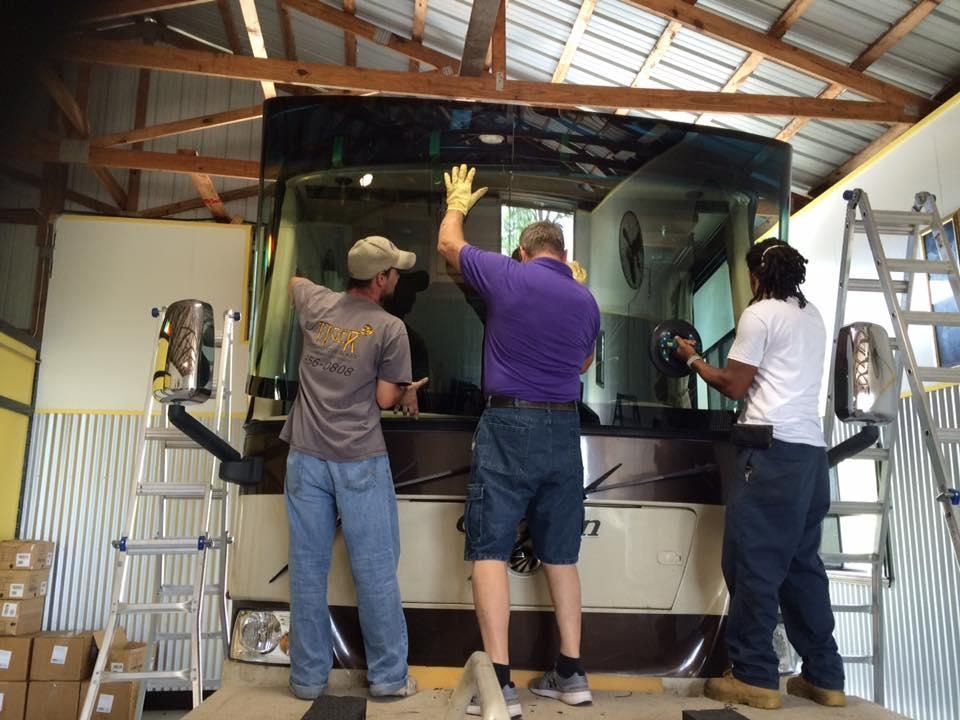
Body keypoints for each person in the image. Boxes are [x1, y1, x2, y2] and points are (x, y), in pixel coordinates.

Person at [437, 165, 601, 719]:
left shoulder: (508, 276)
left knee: (489, 550)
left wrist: (457, 202)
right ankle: (573, 674)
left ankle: (500, 685)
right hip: (564, 428)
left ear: (525, 252)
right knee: (561, 554)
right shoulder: (587, 302)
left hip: (509, 425)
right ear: (563, 255)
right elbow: (582, 363)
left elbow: (448, 243)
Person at [672, 238, 845, 710]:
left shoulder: (760, 313)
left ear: (755, 275)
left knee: (753, 566)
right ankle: (825, 678)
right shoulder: (811, 315)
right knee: (801, 569)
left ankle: (753, 676)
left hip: (771, 457)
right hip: (811, 459)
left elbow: (734, 386)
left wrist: (691, 358)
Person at [281, 235, 428, 701]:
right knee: (375, 570)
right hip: (359, 460)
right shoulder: (391, 328)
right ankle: (387, 677)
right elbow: (385, 399)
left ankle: (306, 679)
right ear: (381, 279)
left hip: (305, 456)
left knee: (307, 570)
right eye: (395, 272)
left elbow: (293, 281)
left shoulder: (316, 302)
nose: (398, 278)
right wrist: (406, 391)